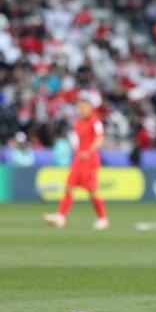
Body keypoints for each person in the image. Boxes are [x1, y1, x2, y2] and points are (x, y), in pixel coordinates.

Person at [43, 91, 109, 230]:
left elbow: (100, 139)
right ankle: (61, 217)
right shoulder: (78, 122)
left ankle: (102, 218)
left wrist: (89, 151)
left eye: (83, 107)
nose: (80, 110)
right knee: (68, 187)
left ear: (90, 107)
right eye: (78, 108)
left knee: (92, 191)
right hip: (78, 159)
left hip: (90, 160)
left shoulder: (95, 121)